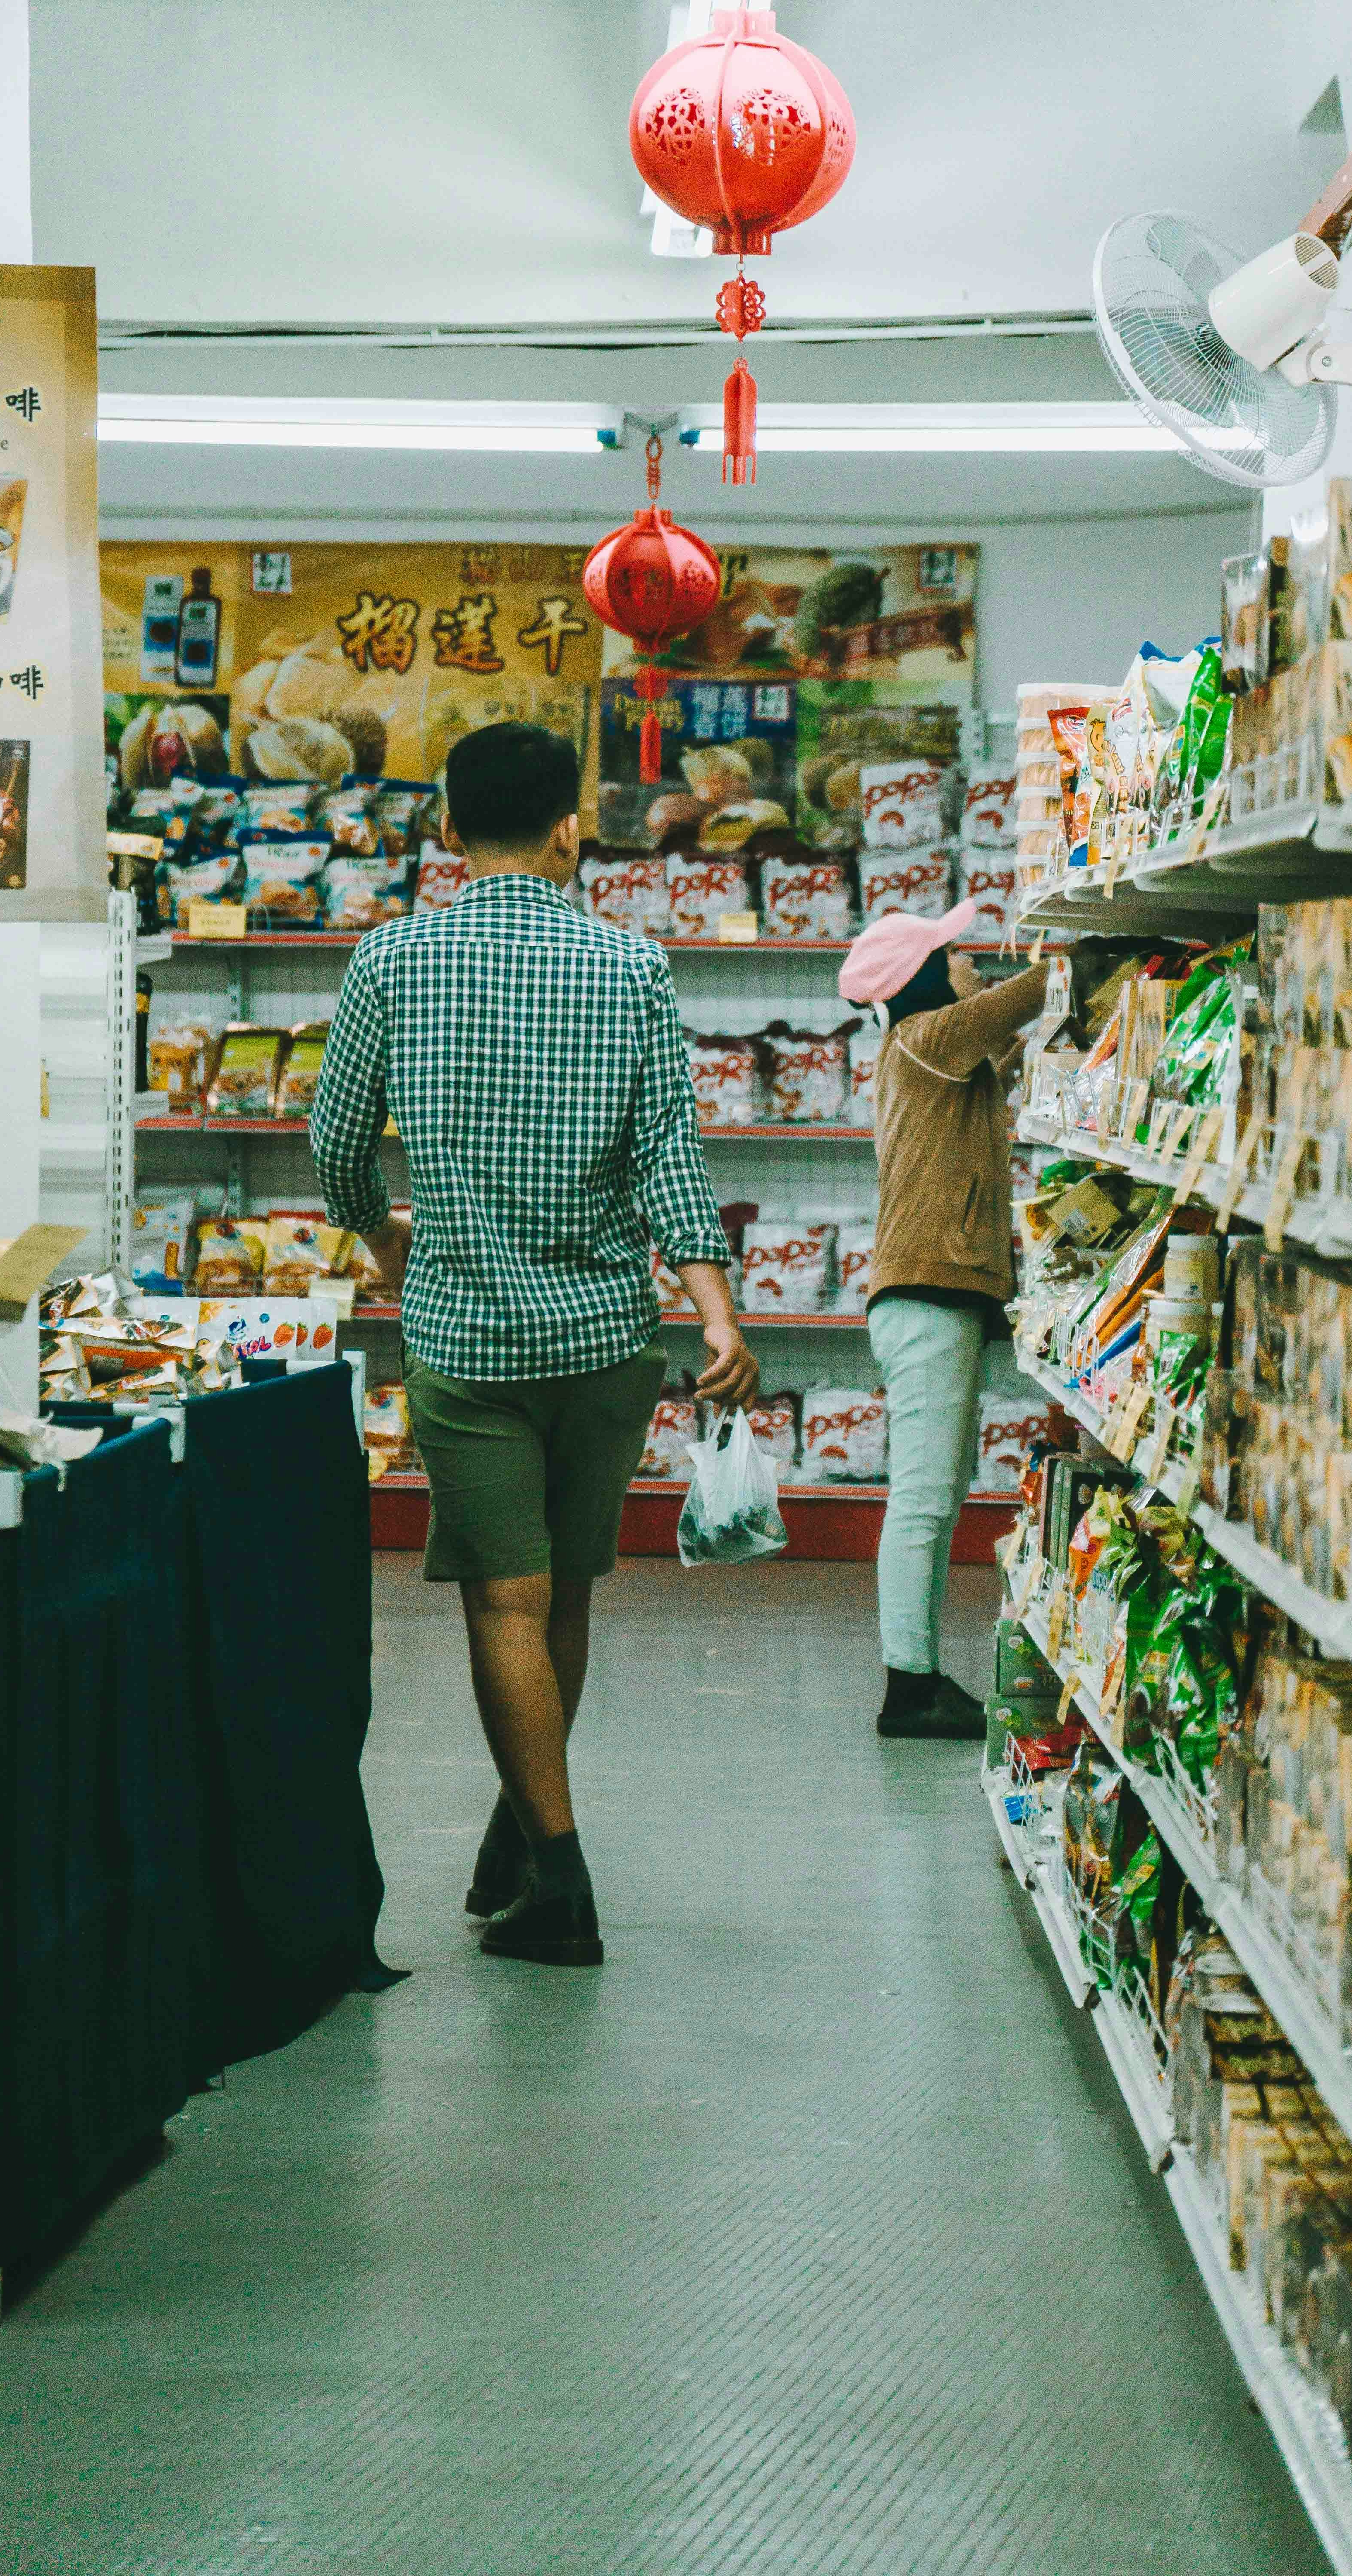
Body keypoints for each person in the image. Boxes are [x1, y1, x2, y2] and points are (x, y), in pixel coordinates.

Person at [310, 720, 757, 1967]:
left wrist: (379, 1236)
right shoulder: (632, 967)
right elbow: (672, 1156)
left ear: (448, 831)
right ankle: (525, 1828)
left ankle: (557, 1876)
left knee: (506, 1600)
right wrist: (717, 1309)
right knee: (565, 1592)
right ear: (571, 827)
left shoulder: (393, 959)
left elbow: (337, 1149)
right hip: (611, 1338)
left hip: (469, 1337)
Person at [838, 903, 1048, 1740]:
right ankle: (908, 1685)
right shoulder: (924, 1041)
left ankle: (919, 1675)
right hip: (924, 1302)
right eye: (955, 957)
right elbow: (1007, 1010)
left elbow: (1006, 1037)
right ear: (925, 979)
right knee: (923, 1501)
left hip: (936, 1302)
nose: (970, 969)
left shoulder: (938, 1060)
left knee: (937, 1494)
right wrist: (1085, 950)